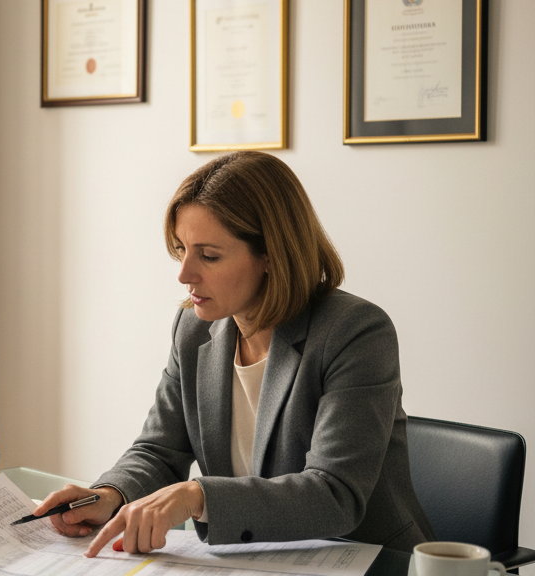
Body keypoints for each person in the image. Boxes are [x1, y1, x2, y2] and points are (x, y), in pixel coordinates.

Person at [35, 151, 434, 555]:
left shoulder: (356, 332)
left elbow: (334, 494)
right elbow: (160, 449)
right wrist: (109, 493)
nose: (184, 274)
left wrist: (197, 496)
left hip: (365, 559)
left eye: (208, 255)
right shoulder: (194, 328)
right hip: (253, 561)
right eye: (180, 249)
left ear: (270, 255)